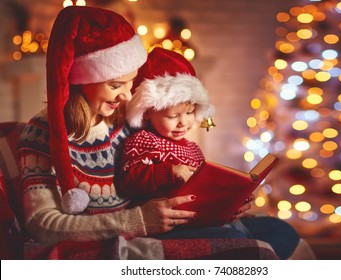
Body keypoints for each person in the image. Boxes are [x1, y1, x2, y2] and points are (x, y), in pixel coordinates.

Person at [17, 6, 299, 259]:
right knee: (238, 243)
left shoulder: (127, 119)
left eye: (130, 83)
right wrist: (138, 221)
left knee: (280, 232)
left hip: (159, 224)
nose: (127, 96)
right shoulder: (42, 134)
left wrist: (223, 203)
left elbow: (165, 170)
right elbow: (43, 226)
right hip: (113, 241)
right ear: (80, 80)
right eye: (116, 86)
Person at [116, 47, 214, 202]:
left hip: (195, 215)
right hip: (165, 219)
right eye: (173, 116)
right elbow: (127, 182)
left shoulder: (193, 149)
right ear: (148, 111)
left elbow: (205, 186)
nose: (183, 122)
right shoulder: (142, 140)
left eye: (189, 113)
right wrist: (168, 172)